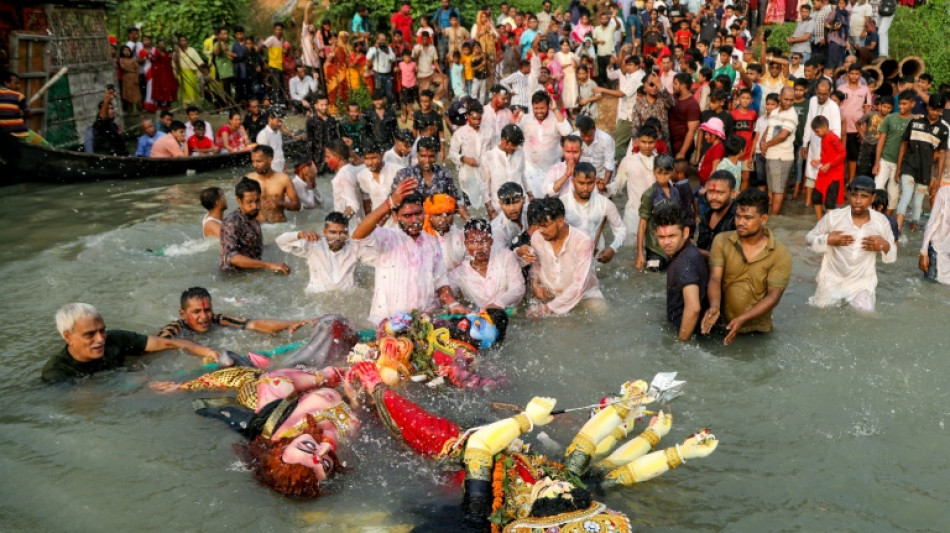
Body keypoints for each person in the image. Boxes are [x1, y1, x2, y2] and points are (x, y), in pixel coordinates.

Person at [353, 180, 463, 324]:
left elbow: (441, 282)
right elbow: (358, 235)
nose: (415, 220)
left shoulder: (431, 242)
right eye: (407, 215)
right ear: (395, 216)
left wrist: (453, 304)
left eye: (418, 214)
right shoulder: (387, 238)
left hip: (421, 323)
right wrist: (389, 204)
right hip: (386, 325)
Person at [42, 303, 219, 383]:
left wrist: (207, 351)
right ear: (68, 337)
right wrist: (142, 385)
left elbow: (166, 343)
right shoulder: (57, 373)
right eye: (90, 334)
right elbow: (87, 401)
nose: (101, 339)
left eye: (102, 330)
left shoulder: (116, 339)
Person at [701, 189, 792, 345]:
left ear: (763, 219)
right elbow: (715, 277)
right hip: (721, 325)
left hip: (757, 332)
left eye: (748, 218)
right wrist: (714, 306)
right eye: (738, 216)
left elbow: (773, 297)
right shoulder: (721, 241)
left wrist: (742, 319)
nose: (740, 222)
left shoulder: (780, 254)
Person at [804, 176, 895, 313]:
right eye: (854, 195)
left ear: (873, 197)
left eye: (864, 196)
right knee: (819, 312)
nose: (858, 201)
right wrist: (827, 239)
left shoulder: (881, 222)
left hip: (862, 284)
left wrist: (884, 246)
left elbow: (892, 254)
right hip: (831, 279)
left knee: (867, 315)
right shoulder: (834, 217)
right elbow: (808, 240)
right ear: (848, 194)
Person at [522, 197, 606, 317]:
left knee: (602, 314)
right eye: (538, 226)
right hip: (550, 294)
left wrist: (548, 308)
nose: (540, 230)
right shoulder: (537, 237)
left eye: (544, 226)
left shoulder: (583, 241)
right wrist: (535, 285)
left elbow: (579, 286)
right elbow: (536, 265)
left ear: (560, 222)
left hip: (585, 295)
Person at [157, 287, 316, 338]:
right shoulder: (173, 330)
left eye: (208, 310)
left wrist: (290, 324)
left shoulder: (218, 320)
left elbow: (254, 324)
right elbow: (158, 345)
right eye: (196, 312)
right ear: (183, 314)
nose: (204, 317)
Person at [276, 212, 368, 294]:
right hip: (317, 296)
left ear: (348, 233)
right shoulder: (314, 245)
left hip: (347, 296)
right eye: (333, 232)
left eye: (342, 233)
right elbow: (280, 241)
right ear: (324, 231)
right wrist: (300, 234)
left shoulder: (354, 247)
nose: (338, 237)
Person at [895, 94, 949, 232]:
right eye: (933, 109)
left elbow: (942, 154)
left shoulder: (943, 130)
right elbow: (904, 144)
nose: (935, 113)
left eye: (939, 111)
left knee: (918, 202)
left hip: (926, 169)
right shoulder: (915, 122)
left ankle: (913, 229)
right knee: (906, 195)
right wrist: (898, 168)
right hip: (909, 165)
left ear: (942, 111)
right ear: (928, 108)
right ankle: (897, 230)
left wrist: (937, 178)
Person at [653, 205, 708, 341]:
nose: (666, 242)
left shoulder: (684, 262)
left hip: (690, 336)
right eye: (661, 237)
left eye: (672, 236)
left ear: (685, 233)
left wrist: (680, 342)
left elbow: (693, 308)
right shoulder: (688, 251)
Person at [448, 218, 526, 310]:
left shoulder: (505, 256)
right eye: (474, 242)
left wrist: (499, 303)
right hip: (479, 321)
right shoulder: (459, 273)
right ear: (466, 244)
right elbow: (443, 296)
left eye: (484, 241)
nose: (480, 247)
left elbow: (518, 288)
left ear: (491, 241)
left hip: (509, 315)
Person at [220, 178, 290, 274]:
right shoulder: (232, 222)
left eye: (257, 201)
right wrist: (269, 265)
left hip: (252, 273)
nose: (254, 206)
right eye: (249, 202)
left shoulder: (253, 217)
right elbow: (231, 257)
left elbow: (254, 247)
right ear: (239, 200)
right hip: (234, 277)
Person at [391, 136, 470, 219]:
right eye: (423, 156)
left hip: (439, 223)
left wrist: (469, 221)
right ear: (417, 155)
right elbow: (393, 203)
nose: (427, 160)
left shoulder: (444, 173)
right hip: (414, 224)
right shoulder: (404, 174)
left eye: (431, 156)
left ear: (437, 155)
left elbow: (456, 200)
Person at [563, 162, 625, 264]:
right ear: (573, 181)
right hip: (569, 257)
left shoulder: (605, 204)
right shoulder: (563, 204)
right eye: (581, 183)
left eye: (590, 183)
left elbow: (621, 230)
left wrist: (613, 248)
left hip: (596, 257)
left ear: (595, 182)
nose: (586, 188)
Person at [609, 126, 657, 246]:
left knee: (654, 251)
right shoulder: (628, 161)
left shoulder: (660, 161)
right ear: (637, 142)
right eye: (644, 142)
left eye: (650, 142)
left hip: (655, 214)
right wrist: (605, 188)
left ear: (656, 142)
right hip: (633, 214)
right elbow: (618, 184)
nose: (647, 146)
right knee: (631, 250)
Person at [520, 91, 573, 197]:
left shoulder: (556, 118)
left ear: (548, 106)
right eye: (536, 108)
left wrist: (555, 109)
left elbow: (567, 132)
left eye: (542, 108)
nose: (539, 111)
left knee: (551, 199)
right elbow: (518, 139)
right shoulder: (525, 119)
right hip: (531, 168)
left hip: (552, 167)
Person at [636, 155, 683, 271]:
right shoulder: (649, 194)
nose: (662, 177)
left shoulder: (676, 192)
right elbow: (642, 225)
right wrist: (640, 254)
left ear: (672, 172)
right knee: (653, 276)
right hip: (654, 247)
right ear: (654, 172)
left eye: (666, 173)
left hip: (673, 246)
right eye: (659, 173)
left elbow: (679, 220)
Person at [801, 79, 842, 208]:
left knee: (824, 175)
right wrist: (805, 143)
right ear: (815, 91)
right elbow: (809, 122)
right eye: (819, 93)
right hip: (813, 143)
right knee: (810, 173)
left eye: (824, 94)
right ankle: (808, 203)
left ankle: (822, 204)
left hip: (827, 146)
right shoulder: (813, 101)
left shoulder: (833, 106)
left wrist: (827, 143)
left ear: (829, 93)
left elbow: (837, 131)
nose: (821, 96)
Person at [448, 100, 493, 210]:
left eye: (479, 119)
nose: (477, 122)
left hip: (486, 175)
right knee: (471, 209)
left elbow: (494, 150)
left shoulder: (489, 131)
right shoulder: (460, 133)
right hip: (468, 175)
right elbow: (452, 154)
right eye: (473, 119)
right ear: (467, 116)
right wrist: (463, 158)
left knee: (487, 207)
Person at [761, 87, 799, 215]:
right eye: (786, 99)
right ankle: (770, 218)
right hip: (772, 155)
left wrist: (766, 144)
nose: (788, 102)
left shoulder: (792, 115)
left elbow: (783, 135)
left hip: (782, 157)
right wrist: (762, 141)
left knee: (778, 190)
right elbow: (769, 128)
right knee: (772, 188)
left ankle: (773, 219)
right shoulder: (775, 111)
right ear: (779, 97)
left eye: (791, 100)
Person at [601, 50, 644, 161]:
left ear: (637, 66)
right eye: (627, 64)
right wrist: (612, 62)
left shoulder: (635, 78)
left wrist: (601, 89)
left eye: (630, 65)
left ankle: (621, 164)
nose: (627, 67)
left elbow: (620, 94)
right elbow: (616, 72)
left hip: (628, 116)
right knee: (629, 144)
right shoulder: (636, 74)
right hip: (630, 113)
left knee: (619, 143)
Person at [246, 145, 299, 223]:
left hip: (279, 226)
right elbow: (243, 206)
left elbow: (297, 205)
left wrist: (279, 203)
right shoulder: (249, 179)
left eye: (259, 161)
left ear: (270, 159)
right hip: (259, 227)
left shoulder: (283, 179)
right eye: (253, 161)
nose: (255, 165)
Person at [810, 115, 847, 220]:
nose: (816, 134)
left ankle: (829, 225)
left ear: (825, 128)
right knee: (816, 197)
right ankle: (820, 222)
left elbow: (843, 153)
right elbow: (830, 154)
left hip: (834, 173)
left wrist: (829, 164)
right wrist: (820, 161)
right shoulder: (825, 137)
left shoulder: (832, 137)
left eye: (817, 132)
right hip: (825, 171)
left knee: (829, 201)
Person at [697, 170, 737, 254]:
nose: (714, 197)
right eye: (710, 192)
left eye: (720, 193)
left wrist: (701, 253)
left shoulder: (739, 219)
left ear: (732, 193)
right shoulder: (707, 214)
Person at [424, 194, 467, 272]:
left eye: (448, 214)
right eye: (438, 215)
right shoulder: (422, 239)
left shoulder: (462, 236)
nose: (443, 219)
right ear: (429, 217)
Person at [324, 139, 364, 224]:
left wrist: (339, 224)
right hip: (359, 223)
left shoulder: (343, 176)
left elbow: (354, 205)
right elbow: (362, 165)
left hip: (350, 229)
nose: (325, 160)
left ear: (337, 157)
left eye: (327, 157)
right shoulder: (353, 169)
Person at [920, 184, 950, 284]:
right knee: (928, 288)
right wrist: (923, 252)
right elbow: (932, 223)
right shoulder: (944, 192)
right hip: (936, 250)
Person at [573, 115, 616, 182]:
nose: (586, 139)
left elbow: (609, 165)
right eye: (583, 136)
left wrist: (604, 184)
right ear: (579, 131)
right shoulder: (574, 138)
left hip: (601, 177)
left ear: (594, 129)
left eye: (589, 135)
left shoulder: (606, 140)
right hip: (581, 178)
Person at [306, 93, 339, 173]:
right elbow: (310, 141)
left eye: (326, 105)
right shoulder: (311, 121)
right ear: (316, 106)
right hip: (318, 158)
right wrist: (311, 161)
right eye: (322, 105)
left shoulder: (331, 120)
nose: (324, 107)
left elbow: (336, 138)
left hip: (331, 156)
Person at [92, 87, 127, 156]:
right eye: (109, 109)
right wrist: (106, 100)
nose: (112, 111)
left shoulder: (114, 125)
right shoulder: (99, 124)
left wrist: (120, 135)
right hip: (106, 157)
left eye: (112, 109)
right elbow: (103, 118)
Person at [173, 35, 204, 106]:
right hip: (182, 73)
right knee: (185, 91)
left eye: (185, 40)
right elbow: (174, 61)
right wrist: (176, 52)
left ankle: (194, 105)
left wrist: (201, 67)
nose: (183, 42)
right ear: (179, 42)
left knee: (193, 89)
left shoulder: (192, 50)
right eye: (181, 41)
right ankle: (186, 105)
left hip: (191, 73)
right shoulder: (177, 52)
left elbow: (199, 61)